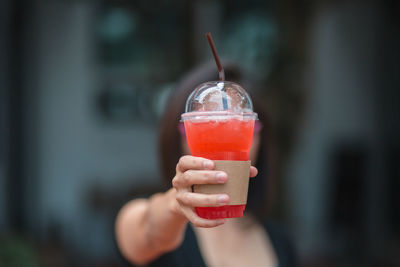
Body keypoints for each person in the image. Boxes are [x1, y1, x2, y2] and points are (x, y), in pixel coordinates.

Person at [115, 62, 296, 267]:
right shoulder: (160, 218)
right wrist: (178, 204)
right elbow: (146, 232)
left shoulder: (281, 243)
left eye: (237, 124)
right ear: (181, 137)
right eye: (207, 123)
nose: (223, 136)